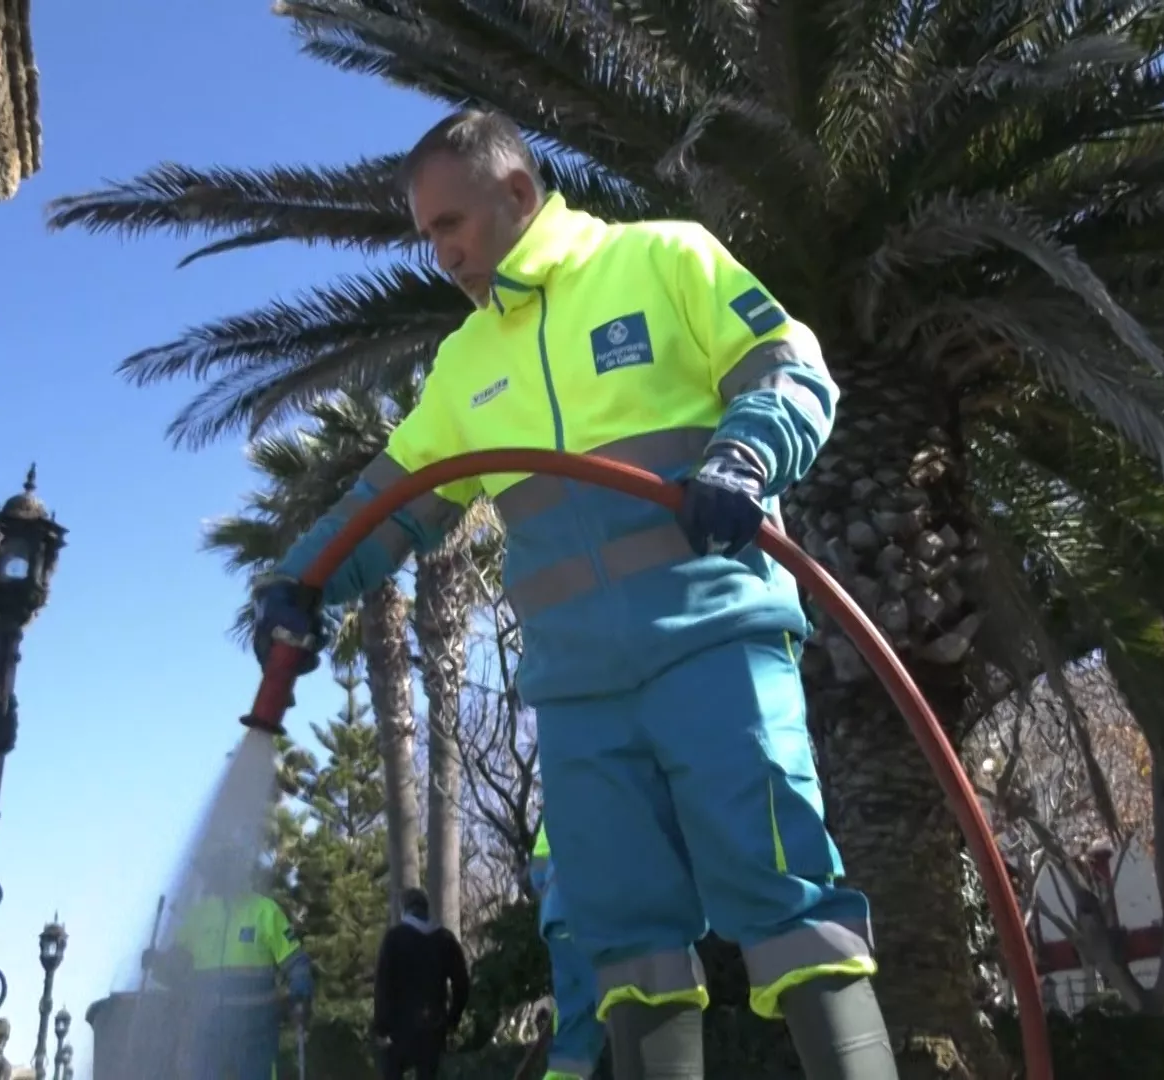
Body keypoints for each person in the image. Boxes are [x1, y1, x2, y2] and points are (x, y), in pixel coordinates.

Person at [251, 108, 897, 1080]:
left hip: (713, 643)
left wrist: (746, 451)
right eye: (427, 235)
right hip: (579, 692)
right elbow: (390, 500)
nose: (441, 255)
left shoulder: (664, 261)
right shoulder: (467, 363)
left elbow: (789, 367)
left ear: (516, 193)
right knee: (628, 941)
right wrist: (300, 577)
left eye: (450, 226)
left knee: (785, 897)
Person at [145, 848, 315, 1080]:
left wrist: (301, 994)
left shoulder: (264, 912)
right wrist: (157, 962)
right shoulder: (200, 916)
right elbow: (176, 970)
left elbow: (296, 963)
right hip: (208, 1032)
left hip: (255, 1031)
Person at [529, 824, 605, 1080]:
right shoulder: (612, 784)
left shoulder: (557, 795)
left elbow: (537, 874)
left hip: (558, 918)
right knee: (634, 1010)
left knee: (575, 1031)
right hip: (596, 916)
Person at [373, 888, 471, 1080]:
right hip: (434, 1026)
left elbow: (383, 985)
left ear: (404, 909)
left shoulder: (394, 938)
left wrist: (381, 1027)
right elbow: (462, 984)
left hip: (399, 1029)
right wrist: (452, 1019)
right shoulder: (444, 939)